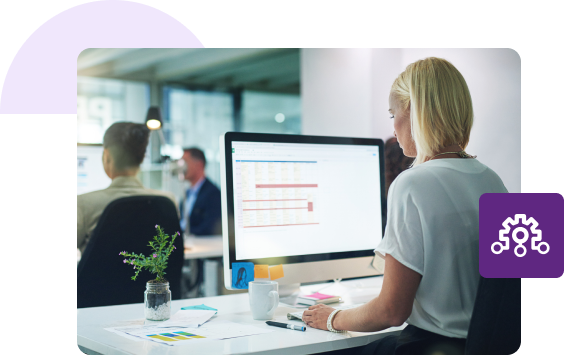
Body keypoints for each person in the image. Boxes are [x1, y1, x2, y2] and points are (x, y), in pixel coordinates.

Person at [302, 57, 508, 355]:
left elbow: (391, 311)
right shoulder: (492, 179)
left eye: (392, 115)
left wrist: (333, 317)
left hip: (431, 346)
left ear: (414, 113)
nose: (394, 129)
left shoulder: (411, 184)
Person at [77, 122, 178, 253]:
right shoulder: (167, 201)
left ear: (106, 156)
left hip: (102, 274)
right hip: (150, 273)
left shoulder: (84, 204)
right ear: (142, 158)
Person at [180, 147, 222, 236]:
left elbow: (210, 228)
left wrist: (183, 234)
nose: (182, 167)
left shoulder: (213, 193)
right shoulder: (187, 193)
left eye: (185, 162)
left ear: (199, 164)